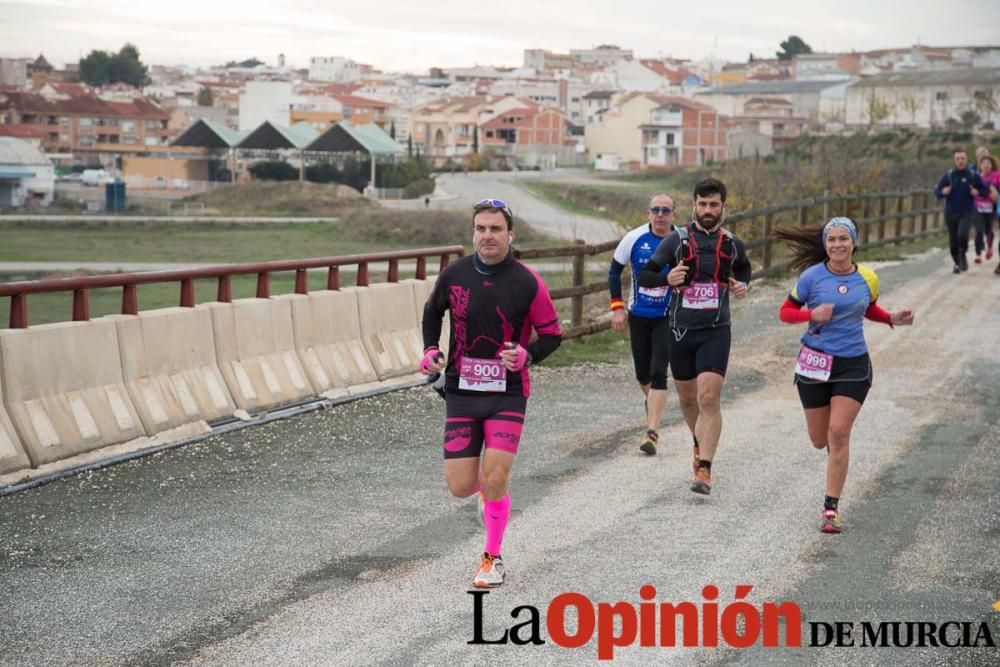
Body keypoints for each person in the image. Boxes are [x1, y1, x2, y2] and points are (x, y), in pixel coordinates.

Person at [420, 197, 562, 588]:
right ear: (473, 233)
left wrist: (526, 355)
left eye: (495, 229)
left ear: (510, 235)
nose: (487, 236)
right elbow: (432, 313)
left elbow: (552, 335)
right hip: (462, 391)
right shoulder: (454, 275)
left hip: (508, 393)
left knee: (496, 475)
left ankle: (492, 558)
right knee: (462, 485)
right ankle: (489, 493)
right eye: (481, 229)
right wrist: (431, 350)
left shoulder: (528, 282)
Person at [775, 217, 914, 533]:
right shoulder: (811, 277)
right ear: (825, 245)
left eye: (843, 239)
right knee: (818, 439)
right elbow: (785, 313)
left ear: (854, 242)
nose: (838, 245)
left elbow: (867, 308)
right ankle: (834, 456)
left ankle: (830, 509)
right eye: (832, 240)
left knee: (838, 433)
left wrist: (891, 317)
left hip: (853, 364)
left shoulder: (868, 277)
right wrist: (811, 314)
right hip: (815, 362)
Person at [639, 178, 751, 495]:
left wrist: (743, 285)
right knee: (688, 400)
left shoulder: (731, 243)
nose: (707, 211)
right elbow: (646, 275)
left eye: (714, 205)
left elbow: (744, 269)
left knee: (708, 398)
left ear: (723, 207)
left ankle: (704, 469)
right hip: (680, 331)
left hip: (716, 330)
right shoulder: (676, 241)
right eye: (702, 205)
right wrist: (666, 277)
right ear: (694, 205)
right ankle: (698, 444)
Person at [608, 193, 677, 455]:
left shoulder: (681, 239)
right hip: (639, 314)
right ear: (648, 213)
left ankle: (652, 432)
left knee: (660, 371)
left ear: (674, 215)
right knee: (643, 374)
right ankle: (654, 407)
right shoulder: (634, 238)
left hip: (667, 316)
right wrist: (617, 308)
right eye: (655, 210)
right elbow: (614, 271)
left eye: (666, 210)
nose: (660, 215)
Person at [934, 150, 987, 273]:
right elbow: (937, 191)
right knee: (953, 241)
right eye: (958, 159)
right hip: (951, 212)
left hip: (967, 212)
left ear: (967, 159)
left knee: (963, 235)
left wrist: (978, 192)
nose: (960, 161)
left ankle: (963, 252)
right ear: (954, 161)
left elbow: (985, 190)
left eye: (963, 158)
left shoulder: (973, 175)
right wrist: (943, 192)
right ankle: (957, 263)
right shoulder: (949, 175)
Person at [972, 155, 1000, 268]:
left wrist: (995, 193)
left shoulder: (996, 175)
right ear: (980, 166)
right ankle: (978, 254)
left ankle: (989, 248)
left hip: (990, 207)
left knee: (988, 230)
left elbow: (997, 190)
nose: (986, 165)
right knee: (979, 230)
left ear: (992, 165)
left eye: (988, 163)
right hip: (977, 207)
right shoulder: (976, 176)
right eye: (984, 163)